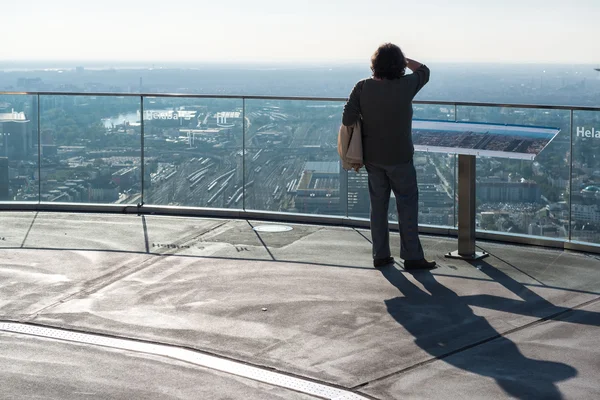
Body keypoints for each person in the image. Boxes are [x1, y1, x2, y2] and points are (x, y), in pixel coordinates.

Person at [342, 43, 436, 270]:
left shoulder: (362, 87)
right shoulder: (406, 85)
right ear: (398, 65)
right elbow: (424, 71)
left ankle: (381, 255)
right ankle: (412, 257)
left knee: (378, 207)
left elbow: (347, 119)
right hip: (401, 156)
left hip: (373, 158)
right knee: (407, 206)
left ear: (374, 65)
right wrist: (404, 60)